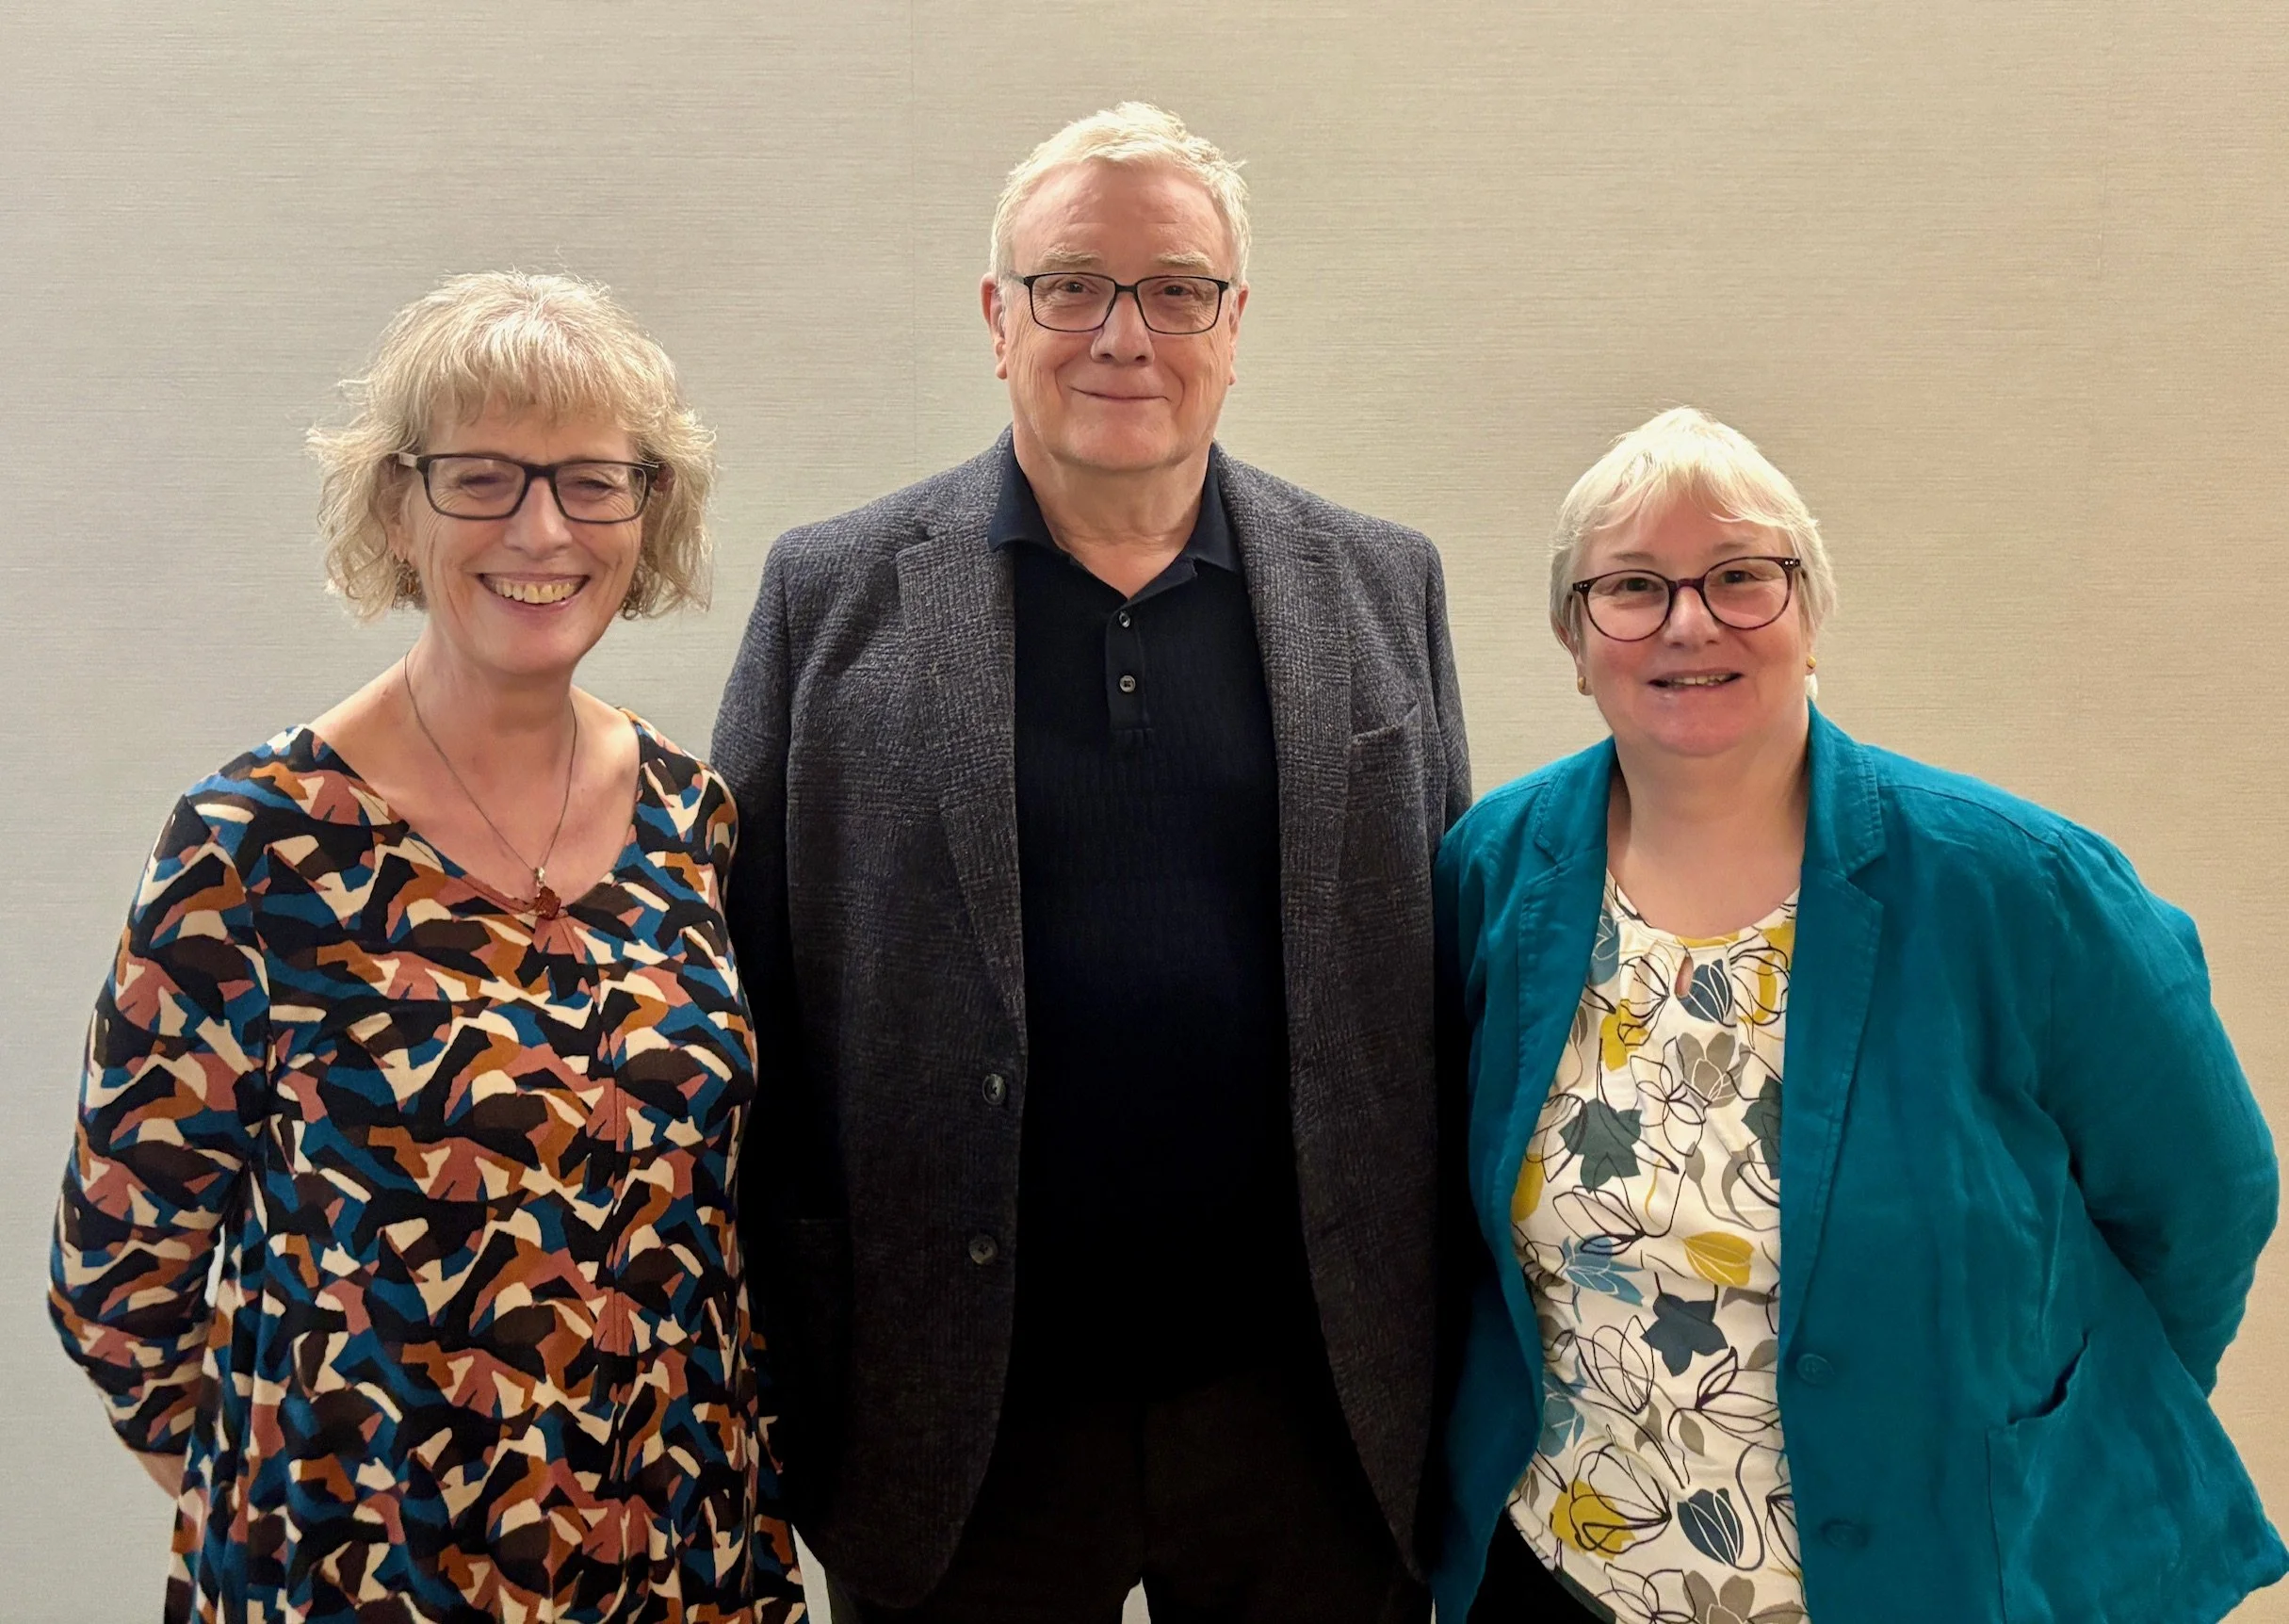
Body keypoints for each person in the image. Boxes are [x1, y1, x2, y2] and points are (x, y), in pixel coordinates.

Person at [711, 103, 1470, 1622]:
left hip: (1307, 1404)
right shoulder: (832, 594)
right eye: (1072, 284)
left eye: (1175, 289)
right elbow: (742, 993)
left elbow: (1443, 982)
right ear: (999, 318)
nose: (1123, 332)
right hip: (955, 1414)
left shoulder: (1381, 584)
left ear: (1232, 326)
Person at [1431, 406, 2284, 1623]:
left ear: (1809, 615)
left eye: (1741, 578)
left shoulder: (2019, 889)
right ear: (1575, 642)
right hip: (1570, 1572)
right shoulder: (1494, 873)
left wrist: (2050, 1421)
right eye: (1630, 586)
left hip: (1939, 1578)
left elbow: (2205, 1203)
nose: (1688, 621)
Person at [48, 271, 803, 1623]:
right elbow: (118, 1290)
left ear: (649, 512)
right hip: (363, 1575)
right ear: (396, 510)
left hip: (675, 1552)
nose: (541, 528)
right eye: (482, 479)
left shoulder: (694, 817)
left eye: (590, 481)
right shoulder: (253, 845)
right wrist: (325, 1492)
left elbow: (716, 1226)